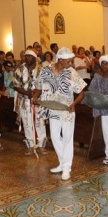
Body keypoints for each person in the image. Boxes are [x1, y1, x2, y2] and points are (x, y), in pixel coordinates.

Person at [33, 47, 86, 180]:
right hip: (52, 109)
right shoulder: (45, 71)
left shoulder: (71, 72)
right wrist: (35, 97)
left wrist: (73, 105)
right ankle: (62, 163)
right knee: (55, 137)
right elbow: (39, 87)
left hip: (67, 110)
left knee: (68, 138)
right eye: (68, 61)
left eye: (71, 60)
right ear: (60, 60)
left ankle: (66, 167)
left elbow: (81, 92)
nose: (71, 63)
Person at [13, 49, 47, 155]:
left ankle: (41, 145)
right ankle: (31, 146)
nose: (26, 58)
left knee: (39, 122)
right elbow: (15, 84)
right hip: (24, 100)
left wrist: (36, 94)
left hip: (38, 100)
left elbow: (45, 84)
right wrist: (26, 93)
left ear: (34, 58)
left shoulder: (41, 69)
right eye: (25, 56)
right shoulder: (20, 69)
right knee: (27, 123)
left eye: (29, 56)